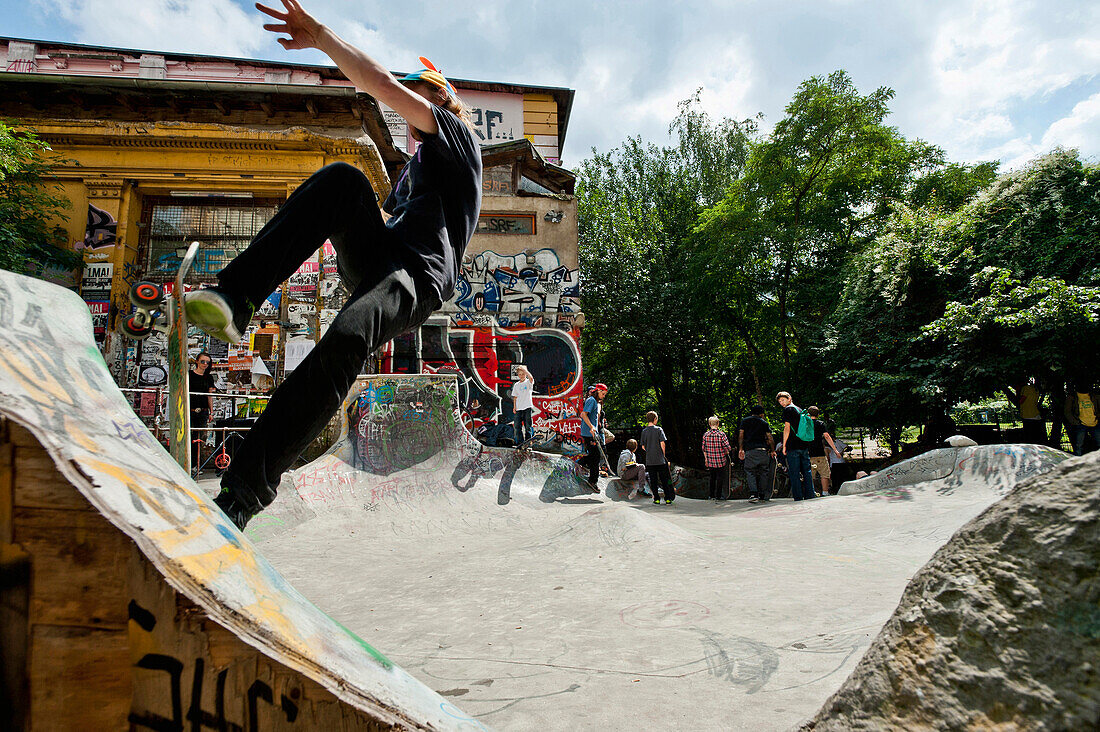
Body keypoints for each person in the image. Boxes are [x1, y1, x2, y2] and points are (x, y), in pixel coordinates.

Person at [184, 0, 482, 529]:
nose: (409, 116)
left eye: (423, 98)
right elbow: (351, 218)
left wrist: (321, 37)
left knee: (346, 338)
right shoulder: (413, 173)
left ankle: (244, 492)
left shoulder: (459, 140)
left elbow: (382, 84)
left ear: (442, 101)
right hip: (380, 258)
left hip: (416, 277)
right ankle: (237, 296)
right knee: (345, 180)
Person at [777, 391, 815, 501]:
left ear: (789, 399)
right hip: (803, 444)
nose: (782, 403)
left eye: (783, 400)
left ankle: (798, 496)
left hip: (793, 445)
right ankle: (810, 494)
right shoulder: (799, 409)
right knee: (806, 471)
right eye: (780, 401)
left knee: (794, 472)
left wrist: (784, 445)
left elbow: (787, 428)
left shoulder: (788, 410)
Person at [738, 405, 775, 503]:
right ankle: (763, 494)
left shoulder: (745, 421)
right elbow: (770, 438)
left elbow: (741, 435)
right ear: (761, 414)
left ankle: (754, 494)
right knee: (764, 471)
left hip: (750, 450)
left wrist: (741, 449)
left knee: (750, 471)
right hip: (762, 451)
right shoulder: (764, 423)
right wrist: (772, 450)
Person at [188, 351, 217, 472]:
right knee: (189, 436)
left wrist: (211, 411)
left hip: (203, 410)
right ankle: (188, 463)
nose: (205, 364)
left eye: (207, 362)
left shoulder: (208, 377)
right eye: (202, 361)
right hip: (191, 409)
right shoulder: (189, 374)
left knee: (199, 438)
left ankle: (195, 464)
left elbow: (209, 395)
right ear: (197, 362)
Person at [807, 406, 842, 496]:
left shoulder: (805, 424)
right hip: (819, 452)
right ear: (818, 415)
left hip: (808, 452)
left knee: (810, 474)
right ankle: (825, 492)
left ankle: (811, 492)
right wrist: (835, 450)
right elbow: (826, 436)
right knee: (824, 473)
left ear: (808, 414)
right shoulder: (820, 424)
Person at [579, 383, 608, 490]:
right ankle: (592, 481)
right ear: (598, 391)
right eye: (603, 394)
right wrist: (591, 427)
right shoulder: (591, 400)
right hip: (589, 433)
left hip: (591, 433)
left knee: (594, 455)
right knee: (595, 457)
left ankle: (580, 464)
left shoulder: (595, 401)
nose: (604, 396)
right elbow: (583, 414)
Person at [641, 411, 674, 504]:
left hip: (650, 460)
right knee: (664, 479)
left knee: (653, 480)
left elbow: (643, 446)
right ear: (655, 419)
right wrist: (662, 454)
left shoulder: (644, 431)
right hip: (660, 459)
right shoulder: (659, 430)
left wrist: (649, 450)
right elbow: (662, 443)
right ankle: (668, 498)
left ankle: (656, 498)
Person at [1064, 382, 1100, 456]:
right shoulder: (1073, 397)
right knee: (1078, 446)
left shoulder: (1094, 396)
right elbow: (1067, 411)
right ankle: (1078, 462)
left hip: (1094, 422)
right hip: (1081, 424)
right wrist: (1075, 421)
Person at [701, 416, 731, 501]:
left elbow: (704, 448)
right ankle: (718, 496)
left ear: (709, 424)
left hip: (710, 461)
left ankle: (711, 495)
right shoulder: (721, 434)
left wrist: (706, 459)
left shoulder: (706, 435)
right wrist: (726, 452)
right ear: (718, 424)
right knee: (720, 478)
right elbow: (727, 447)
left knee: (712, 477)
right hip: (721, 460)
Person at [511, 364, 535, 447]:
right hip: (518, 408)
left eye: (523, 374)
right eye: (520, 374)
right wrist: (514, 407)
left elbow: (531, 378)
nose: (521, 376)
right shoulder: (516, 385)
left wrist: (525, 370)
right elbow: (515, 397)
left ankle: (528, 442)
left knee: (528, 426)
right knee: (517, 426)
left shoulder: (528, 383)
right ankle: (520, 443)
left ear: (525, 374)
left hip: (527, 407)